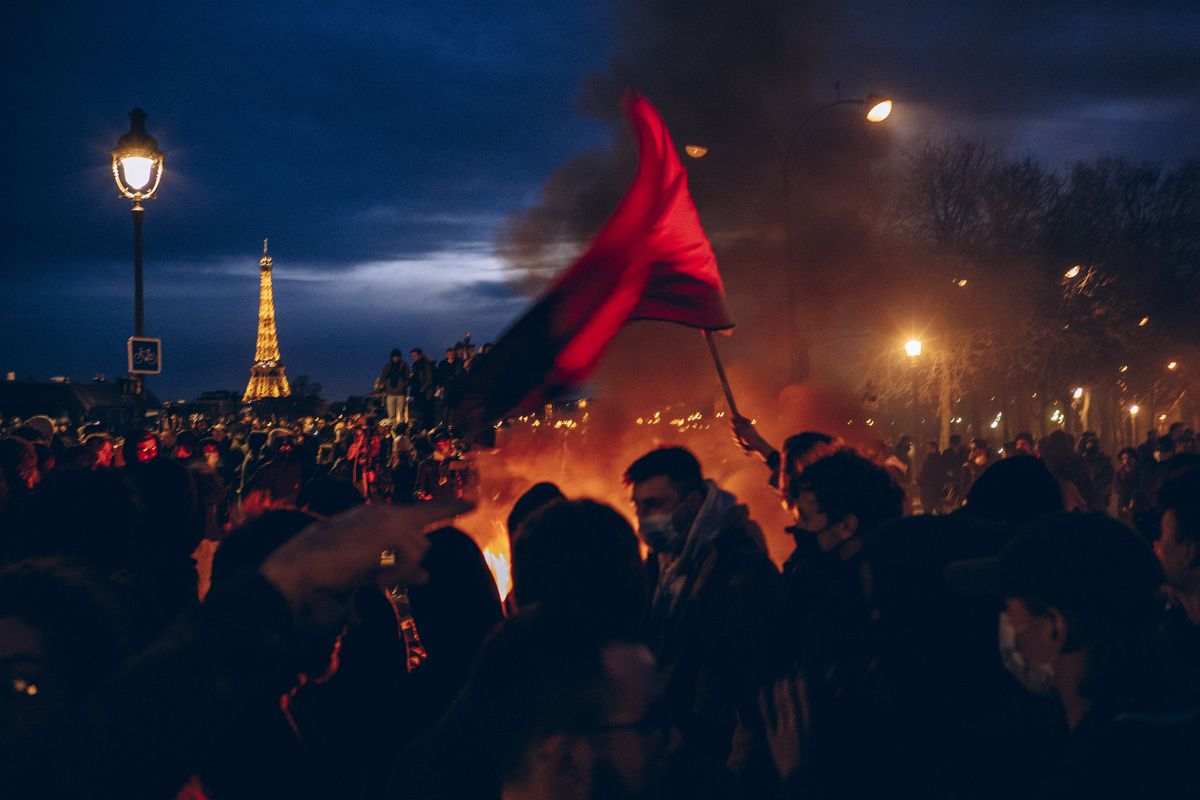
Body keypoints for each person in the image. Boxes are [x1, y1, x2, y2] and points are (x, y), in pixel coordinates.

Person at [947, 512, 1200, 795]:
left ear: (1055, 628)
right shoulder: (1176, 737)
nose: (1006, 628)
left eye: (1009, 611)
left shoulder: (1091, 775)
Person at [624, 446, 784, 798]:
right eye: (638, 506)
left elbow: (755, 682)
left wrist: (733, 771)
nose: (644, 518)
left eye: (655, 504)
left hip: (717, 765)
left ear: (693, 502)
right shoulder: (657, 568)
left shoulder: (741, 571)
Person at [378, 349, 412, 427]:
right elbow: (382, 377)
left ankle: (401, 430)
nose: (395, 359)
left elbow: (408, 378)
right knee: (391, 415)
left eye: (397, 357)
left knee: (401, 414)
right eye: (394, 357)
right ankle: (393, 430)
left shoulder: (404, 365)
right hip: (390, 393)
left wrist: (403, 386)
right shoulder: (388, 366)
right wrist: (385, 386)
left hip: (401, 393)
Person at [409, 348, 436, 432]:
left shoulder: (425, 364)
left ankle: (427, 430)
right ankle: (421, 430)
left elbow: (429, 378)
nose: (413, 357)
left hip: (425, 393)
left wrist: (423, 388)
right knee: (419, 412)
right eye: (412, 356)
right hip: (418, 393)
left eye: (415, 355)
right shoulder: (415, 366)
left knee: (426, 412)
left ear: (419, 355)